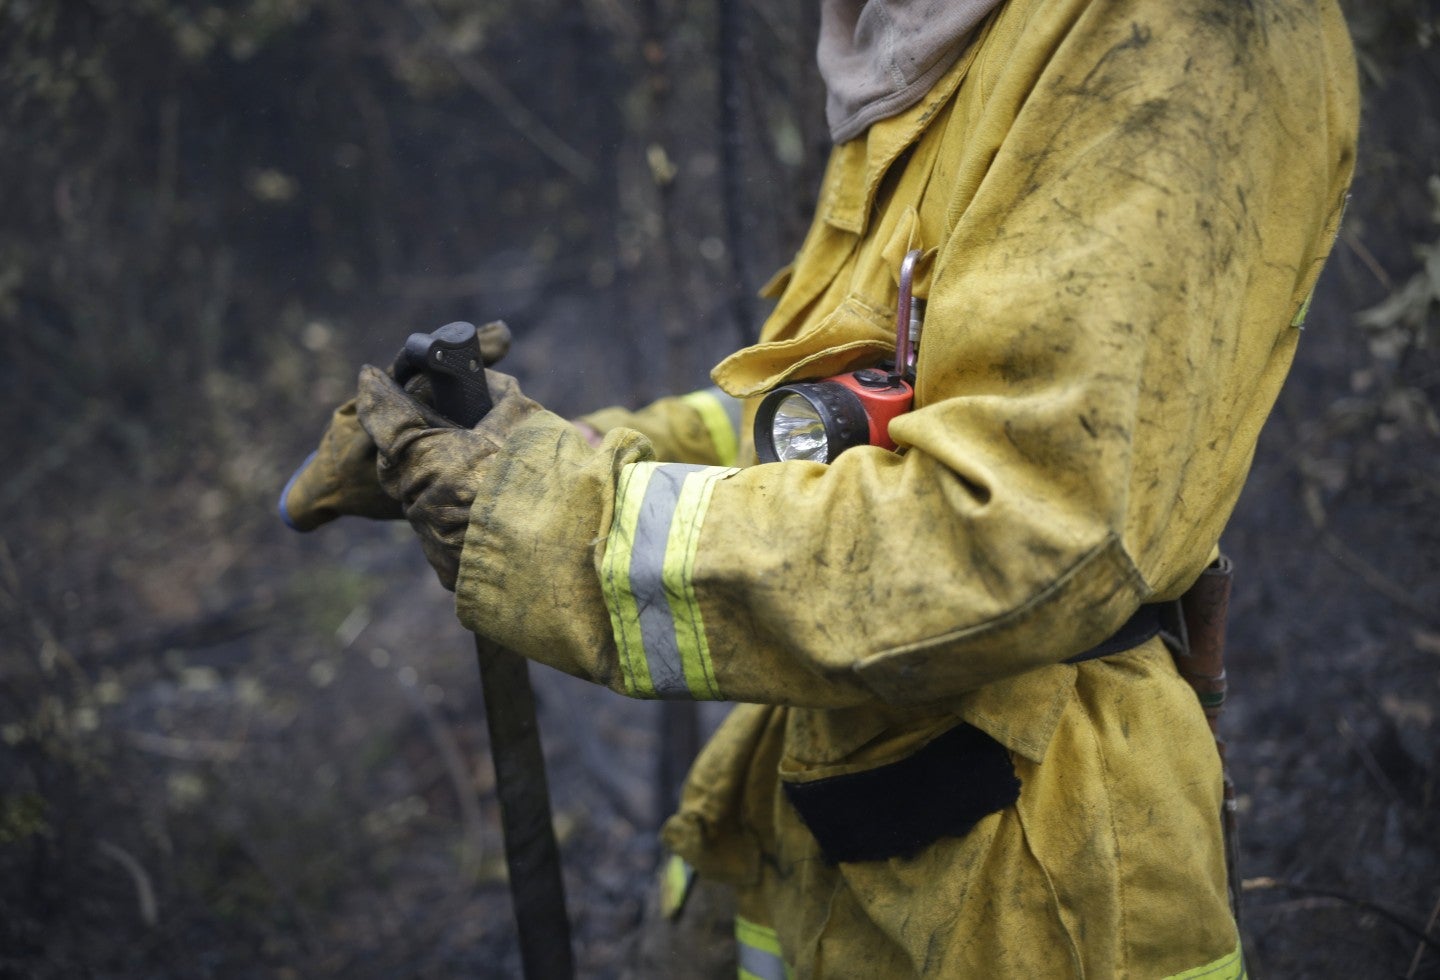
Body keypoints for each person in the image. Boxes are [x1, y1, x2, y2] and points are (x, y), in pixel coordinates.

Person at [281, 0, 1358, 975]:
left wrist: (554, 512)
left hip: (1035, 878)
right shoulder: (921, 35)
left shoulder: (1165, 31)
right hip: (855, 817)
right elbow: (839, 414)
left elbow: (1027, 532)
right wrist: (577, 445)